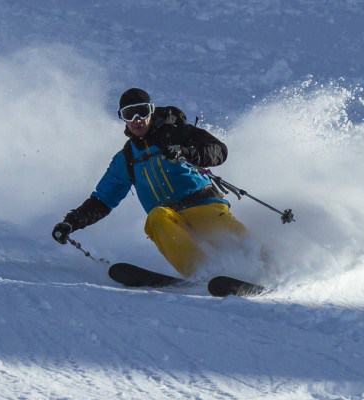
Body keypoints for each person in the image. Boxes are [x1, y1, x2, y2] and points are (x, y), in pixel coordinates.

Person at [52, 87, 248, 277]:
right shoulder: (127, 157)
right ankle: (202, 272)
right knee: (156, 218)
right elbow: (103, 199)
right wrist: (71, 223)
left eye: (142, 111)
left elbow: (219, 151)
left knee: (227, 235)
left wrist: (186, 152)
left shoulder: (176, 133)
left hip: (202, 204)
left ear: (151, 111)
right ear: (123, 119)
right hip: (169, 217)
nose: (137, 119)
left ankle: (268, 264)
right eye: (129, 114)